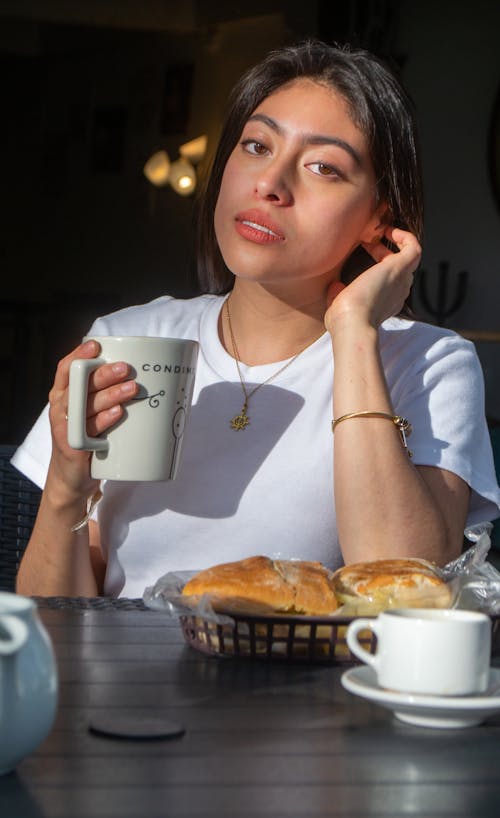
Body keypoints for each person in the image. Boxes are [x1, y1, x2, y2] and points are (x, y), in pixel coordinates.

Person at [13, 40, 500, 598]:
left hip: (309, 685)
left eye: (323, 166)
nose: (270, 183)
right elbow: (54, 622)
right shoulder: (132, 340)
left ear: (377, 218)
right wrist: (67, 487)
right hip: (120, 685)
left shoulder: (429, 364)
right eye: (256, 145)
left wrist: (355, 332)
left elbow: (404, 588)